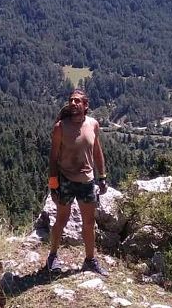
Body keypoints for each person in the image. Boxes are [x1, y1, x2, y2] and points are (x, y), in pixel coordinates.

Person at [45, 88, 109, 276]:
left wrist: (102, 176)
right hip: (65, 180)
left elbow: (97, 152)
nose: (73, 103)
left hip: (87, 182)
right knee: (61, 220)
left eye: (77, 101)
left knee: (89, 223)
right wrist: (53, 184)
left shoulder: (93, 125)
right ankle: (52, 256)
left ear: (85, 105)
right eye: (71, 100)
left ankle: (90, 260)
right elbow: (53, 157)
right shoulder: (60, 127)